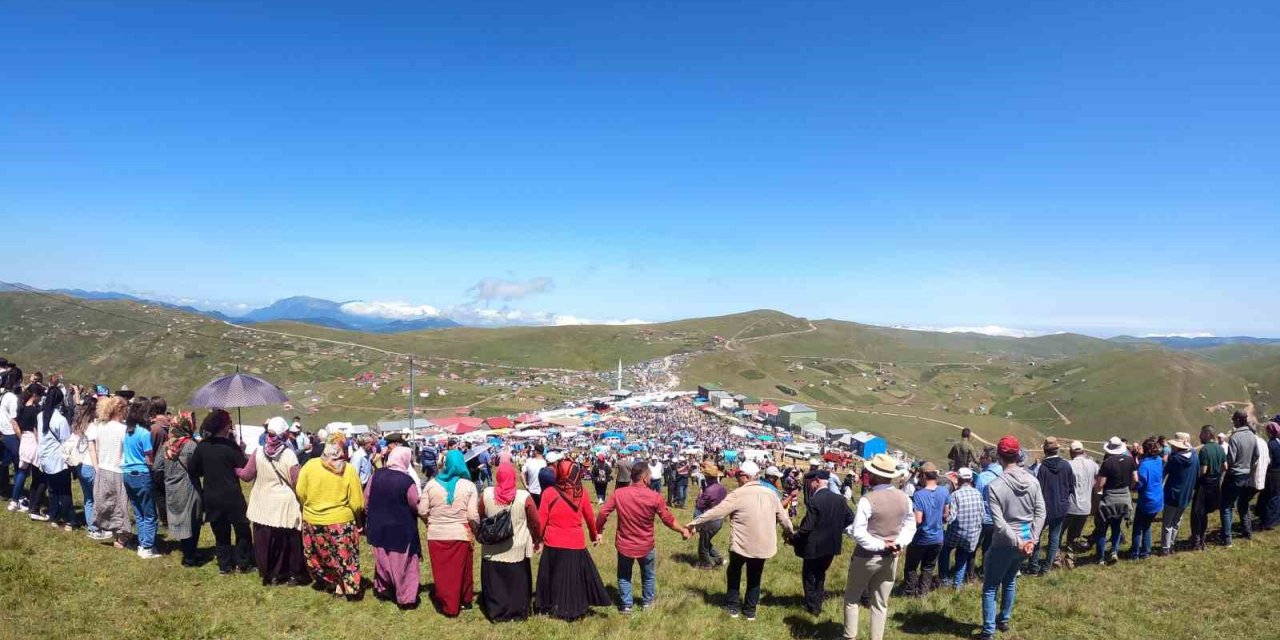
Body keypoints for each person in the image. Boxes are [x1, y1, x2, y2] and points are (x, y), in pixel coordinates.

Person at [687, 460, 795, 622]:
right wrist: (790, 534)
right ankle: (750, 612)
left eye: (738, 475)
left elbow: (716, 512)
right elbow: (784, 519)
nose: (737, 478)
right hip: (763, 546)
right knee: (755, 577)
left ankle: (732, 607)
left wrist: (694, 523)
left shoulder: (738, 494)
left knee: (734, 573)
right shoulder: (771, 494)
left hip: (741, 545)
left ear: (745, 477)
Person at [597, 461, 690, 614]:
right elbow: (668, 519)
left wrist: (598, 531)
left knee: (624, 575)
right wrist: (682, 530)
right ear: (645, 477)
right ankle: (647, 603)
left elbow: (602, 513)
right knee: (648, 575)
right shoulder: (655, 497)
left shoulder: (619, 493)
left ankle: (626, 605)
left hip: (624, 543)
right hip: (646, 545)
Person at [840, 453, 914, 640]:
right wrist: (897, 543)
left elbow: (859, 532)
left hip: (867, 556)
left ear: (875, 475)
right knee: (881, 603)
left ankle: (850, 636)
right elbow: (910, 526)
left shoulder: (868, 499)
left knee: (852, 598)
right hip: (891, 557)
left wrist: (881, 544)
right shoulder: (904, 498)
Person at [980, 436, 1046, 640]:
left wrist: (1018, 541)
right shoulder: (1032, 481)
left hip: (1004, 542)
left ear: (999, 457)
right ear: (1018, 455)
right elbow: (1041, 512)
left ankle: (988, 630)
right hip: (1026, 541)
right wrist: (1032, 540)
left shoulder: (995, 486)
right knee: (1010, 580)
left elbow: (999, 524)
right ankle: (1004, 619)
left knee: (990, 587)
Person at [535, 458, 610, 621]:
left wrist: (537, 539)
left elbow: (541, 520)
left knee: (553, 576)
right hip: (575, 542)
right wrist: (594, 535)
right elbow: (590, 518)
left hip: (553, 542)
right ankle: (573, 605)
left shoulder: (548, 493)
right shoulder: (582, 493)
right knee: (573, 579)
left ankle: (551, 604)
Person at [296, 432, 366, 599]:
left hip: (313, 519)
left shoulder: (310, 466)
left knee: (322, 554)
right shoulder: (347, 469)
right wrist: (358, 517)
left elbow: (300, 491)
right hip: (340, 521)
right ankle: (348, 588)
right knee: (345, 556)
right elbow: (357, 503)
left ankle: (333, 582)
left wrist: (312, 504)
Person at [240, 416, 306, 585]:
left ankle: (270, 575)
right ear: (284, 435)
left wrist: (235, 467)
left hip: (262, 503)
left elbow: (246, 476)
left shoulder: (258, 452)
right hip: (284, 505)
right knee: (287, 542)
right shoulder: (289, 454)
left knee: (265, 543)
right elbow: (296, 482)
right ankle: (290, 574)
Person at [478, 452, 542, 622]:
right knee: (517, 582)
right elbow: (535, 522)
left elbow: (480, 514)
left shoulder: (486, 494)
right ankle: (517, 611)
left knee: (496, 583)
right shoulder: (523, 497)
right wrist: (537, 539)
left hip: (492, 548)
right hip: (517, 547)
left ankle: (497, 611)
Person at [189, 409, 253, 573]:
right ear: (225, 426)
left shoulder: (202, 446)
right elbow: (244, 467)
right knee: (243, 530)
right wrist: (242, 449)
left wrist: (204, 481)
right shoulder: (230, 446)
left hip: (211, 495)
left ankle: (225, 565)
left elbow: (194, 470)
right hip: (232, 495)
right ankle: (243, 563)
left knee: (220, 532)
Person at [419, 449, 480, 616]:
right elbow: (473, 515)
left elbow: (422, 510)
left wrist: (430, 522)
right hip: (460, 533)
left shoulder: (431, 484)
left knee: (443, 572)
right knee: (463, 569)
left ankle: (448, 603)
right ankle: (464, 600)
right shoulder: (469, 486)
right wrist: (476, 530)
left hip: (436, 535)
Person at [791, 469, 853, 616]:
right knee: (821, 574)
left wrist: (794, 538)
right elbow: (850, 518)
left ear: (817, 480)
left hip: (814, 546)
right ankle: (818, 602)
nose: (809, 486)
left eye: (810, 483)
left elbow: (806, 528)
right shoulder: (839, 499)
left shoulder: (815, 500)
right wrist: (836, 529)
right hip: (832, 544)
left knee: (809, 575)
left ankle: (812, 606)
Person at [365, 446, 422, 607]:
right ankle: (406, 598)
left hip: (378, 526)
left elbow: (367, 499)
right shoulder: (406, 481)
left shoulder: (376, 475)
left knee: (383, 560)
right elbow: (415, 504)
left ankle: (384, 589)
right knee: (403, 564)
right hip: (401, 528)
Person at [87, 397, 132, 546]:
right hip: (118, 469)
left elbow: (94, 446)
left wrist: (96, 465)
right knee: (120, 504)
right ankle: (121, 536)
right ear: (120, 410)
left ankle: (112, 531)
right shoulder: (123, 429)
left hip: (103, 467)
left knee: (105, 502)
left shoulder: (101, 427)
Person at [120, 399, 160, 558]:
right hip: (142, 473)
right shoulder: (144, 433)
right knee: (149, 513)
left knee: (138, 511)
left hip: (128, 473)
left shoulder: (128, 431)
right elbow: (149, 458)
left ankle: (142, 543)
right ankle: (147, 546)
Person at [162, 412, 203, 566]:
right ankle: (190, 556)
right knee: (193, 521)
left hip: (172, 487)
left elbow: (159, 465)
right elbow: (198, 468)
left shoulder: (167, 444)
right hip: (189, 486)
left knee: (181, 520)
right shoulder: (191, 445)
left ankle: (187, 550)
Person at [903, 461, 949, 596]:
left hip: (921, 537)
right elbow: (946, 515)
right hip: (938, 537)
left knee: (911, 567)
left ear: (923, 476)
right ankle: (922, 593)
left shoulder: (919, 495)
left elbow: (918, 519)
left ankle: (910, 592)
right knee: (928, 567)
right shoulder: (944, 491)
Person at [1031, 437, 1074, 574]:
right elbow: (1071, 486)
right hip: (1061, 506)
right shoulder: (1066, 465)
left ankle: (1034, 565)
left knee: (1036, 535)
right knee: (1054, 537)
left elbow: (1038, 490)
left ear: (1045, 450)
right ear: (1057, 449)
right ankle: (1047, 567)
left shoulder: (1042, 468)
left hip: (1044, 507)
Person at [1095, 436, 1138, 564]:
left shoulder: (1107, 463)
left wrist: (1097, 489)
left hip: (1109, 498)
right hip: (1124, 498)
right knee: (1116, 526)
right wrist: (1128, 488)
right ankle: (1114, 551)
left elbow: (1101, 483)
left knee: (1102, 529)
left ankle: (1101, 558)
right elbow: (1136, 479)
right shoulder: (1130, 460)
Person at [36, 389, 74, 530]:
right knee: (64, 491)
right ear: (60, 401)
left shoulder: (41, 416)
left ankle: (54, 516)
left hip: (46, 458)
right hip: (59, 460)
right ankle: (69, 519)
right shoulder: (60, 419)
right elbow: (66, 441)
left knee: (52, 490)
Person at [939, 467, 983, 588]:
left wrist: (943, 518)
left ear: (959, 479)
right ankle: (957, 584)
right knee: (962, 556)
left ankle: (944, 579)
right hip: (972, 534)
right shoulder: (978, 494)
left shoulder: (955, 495)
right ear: (970, 479)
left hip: (956, 532)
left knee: (944, 549)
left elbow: (951, 518)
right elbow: (982, 514)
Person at [1222, 410, 1259, 545]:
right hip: (1246, 474)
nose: (1233, 421)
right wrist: (1249, 467)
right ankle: (1247, 532)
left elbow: (1231, 459)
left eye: (1234, 420)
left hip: (1234, 475)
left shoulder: (1235, 437)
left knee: (1226, 506)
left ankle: (1227, 539)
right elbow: (1256, 456)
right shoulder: (1252, 436)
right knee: (1243, 504)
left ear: (1238, 420)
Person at [1160, 432, 1198, 554]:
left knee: (1167, 523)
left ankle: (1165, 548)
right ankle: (1171, 544)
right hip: (1186, 494)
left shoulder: (1174, 459)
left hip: (1172, 494)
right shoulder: (1194, 457)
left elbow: (1164, 473)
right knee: (1177, 521)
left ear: (1176, 446)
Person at [1190, 425, 1226, 550]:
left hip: (1204, 485)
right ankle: (1203, 539)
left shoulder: (1205, 450)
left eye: (1201, 434)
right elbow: (1225, 466)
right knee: (1204, 513)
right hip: (1215, 484)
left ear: (1208, 434)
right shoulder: (1220, 449)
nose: (1200, 436)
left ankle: (1196, 542)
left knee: (1196, 513)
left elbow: (1203, 470)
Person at [1130, 437, 1164, 560]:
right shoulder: (1159, 460)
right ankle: (1146, 552)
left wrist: (1133, 487)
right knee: (1147, 525)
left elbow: (1141, 483)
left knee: (1138, 526)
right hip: (1158, 498)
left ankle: (1135, 553)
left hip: (1147, 500)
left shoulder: (1144, 465)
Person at [1063, 441, 1098, 558]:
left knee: (1060, 530)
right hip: (1086, 505)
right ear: (1083, 451)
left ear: (1071, 452)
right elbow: (1098, 478)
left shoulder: (1068, 465)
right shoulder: (1092, 464)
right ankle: (1071, 552)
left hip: (1070, 504)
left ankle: (1057, 553)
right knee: (1076, 531)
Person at [974, 447, 1002, 573]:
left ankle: (970, 573)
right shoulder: (1004, 473)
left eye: (983, 457)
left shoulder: (983, 477)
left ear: (989, 459)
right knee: (990, 545)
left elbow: (978, 498)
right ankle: (986, 569)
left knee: (974, 546)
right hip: (999, 517)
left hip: (985, 517)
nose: (981, 460)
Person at [694, 464, 728, 569]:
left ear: (708, 477)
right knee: (706, 541)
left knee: (703, 545)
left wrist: (700, 494)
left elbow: (700, 505)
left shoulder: (708, 490)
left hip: (709, 519)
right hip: (719, 519)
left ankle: (706, 564)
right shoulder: (722, 488)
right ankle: (719, 559)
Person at [1260, 422, 1280, 530]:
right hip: (1279, 472)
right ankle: (1276, 519)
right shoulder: (1278, 443)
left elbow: (1269, 461)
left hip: (1272, 473)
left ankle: (1268, 522)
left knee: (1270, 497)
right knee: (1277, 496)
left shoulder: (1270, 444)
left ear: (1270, 431)